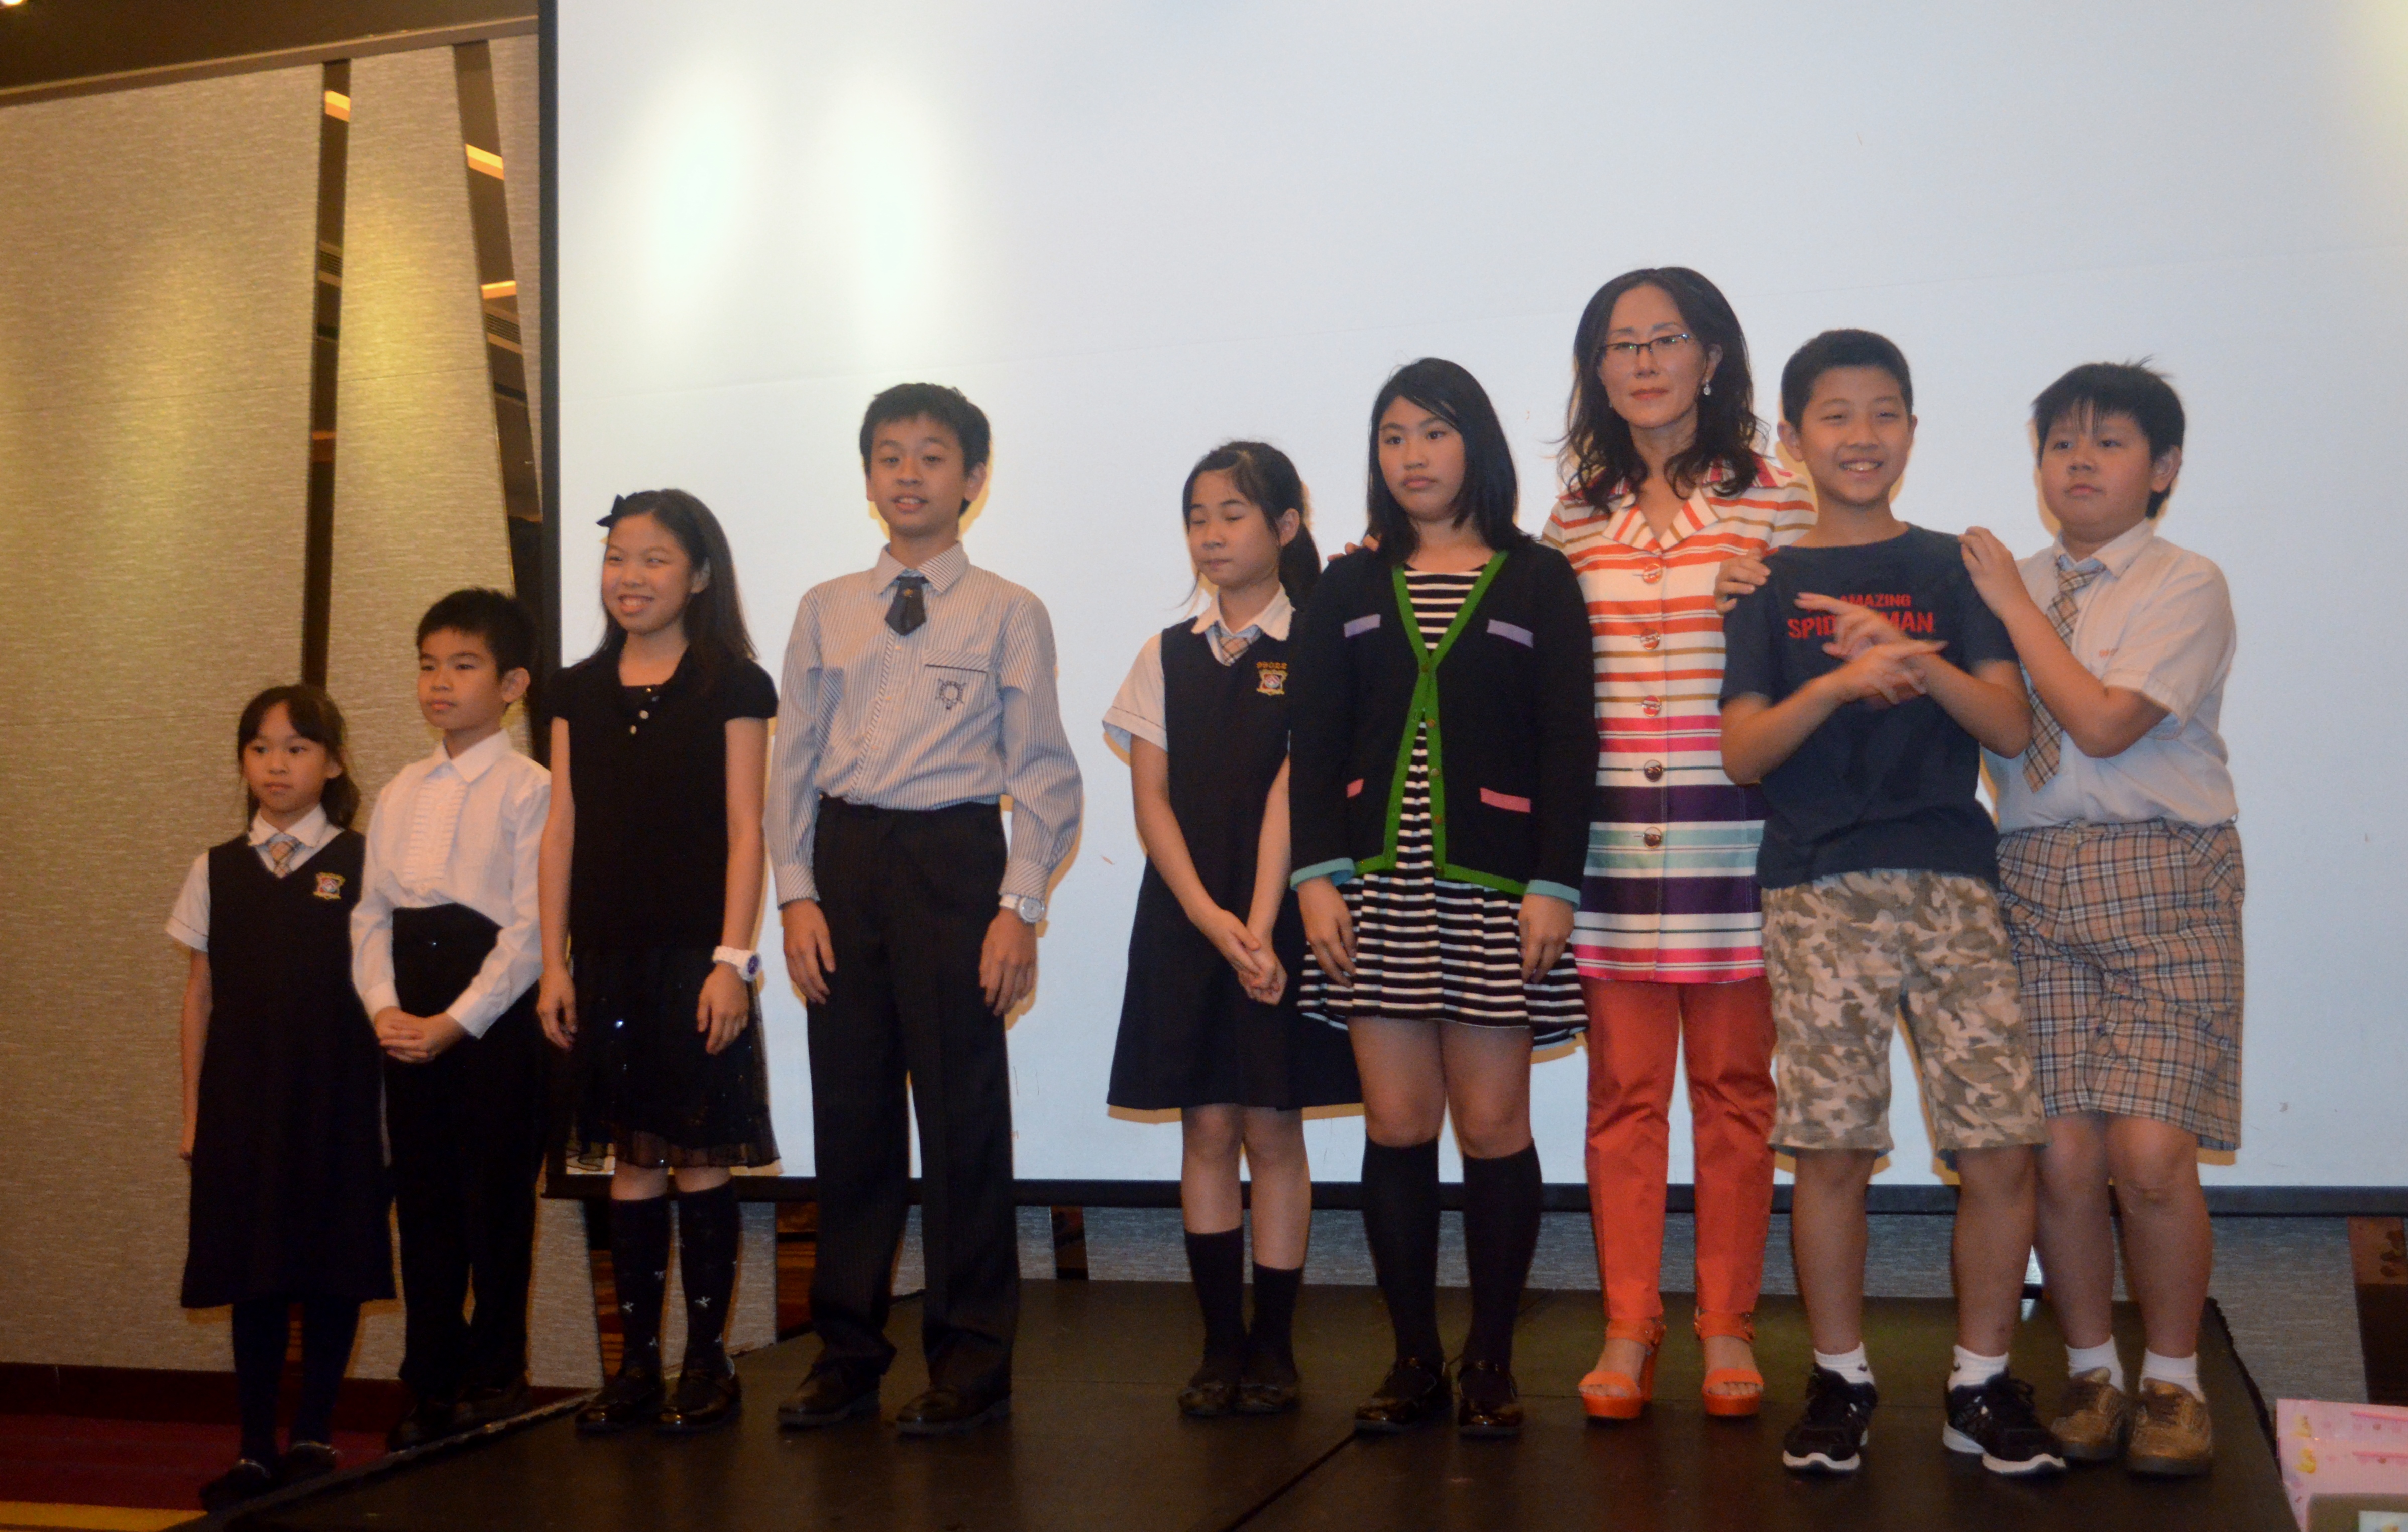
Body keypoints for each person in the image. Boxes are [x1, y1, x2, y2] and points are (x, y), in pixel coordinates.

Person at [1718, 329, 2062, 1478]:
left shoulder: (1954, 567)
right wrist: (1839, 682)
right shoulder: (1764, 582)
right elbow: (1743, 750)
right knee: (1831, 1147)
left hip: (1955, 881)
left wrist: (1912, 657)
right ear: (1793, 437)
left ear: (1913, 428)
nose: (1861, 436)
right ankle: (1840, 1378)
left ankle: (1981, 1382)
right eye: (1835, 415)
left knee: (2001, 1139)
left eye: (1883, 413)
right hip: (1818, 889)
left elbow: (2009, 725)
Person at [768, 383, 1083, 1436]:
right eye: (890, 455)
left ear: (974, 479)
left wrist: (1019, 907)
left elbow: (1043, 771)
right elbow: (791, 764)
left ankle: (972, 1358)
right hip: (846, 857)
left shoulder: (1009, 609)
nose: (909, 473)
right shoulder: (824, 607)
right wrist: (798, 894)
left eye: (934, 455)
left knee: (962, 1119)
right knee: (851, 1117)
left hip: (955, 857)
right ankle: (847, 1354)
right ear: (867, 477)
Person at [1288, 358, 1593, 1439]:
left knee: (1494, 1123)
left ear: (1478, 444)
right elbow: (1314, 741)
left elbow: (1569, 743)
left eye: (1433, 431)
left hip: (1498, 893)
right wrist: (1316, 877)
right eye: (1392, 436)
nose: (1411, 455)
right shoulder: (1347, 586)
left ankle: (1491, 1361)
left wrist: (1553, 883)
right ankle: (1414, 1357)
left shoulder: (1538, 577)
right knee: (1398, 1122)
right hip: (1376, 893)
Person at [1542, 267, 1814, 1421]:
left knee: (1738, 1092)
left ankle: (1725, 1322)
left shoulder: (1777, 498)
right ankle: (1627, 1322)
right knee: (1622, 1094)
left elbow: (1819, 661)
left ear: (1712, 358)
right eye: (1622, 344)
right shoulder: (1574, 516)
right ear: (1596, 371)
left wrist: (1778, 608)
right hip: (1609, 846)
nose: (1645, 361)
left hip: (1737, 840)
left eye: (1667, 339)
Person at [1962, 363, 2239, 1478]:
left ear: (2162, 468)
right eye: (2060, 442)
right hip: (2031, 871)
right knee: (2063, 1152)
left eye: (2110, 442)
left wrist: (2011, 609)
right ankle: (2091, 1371)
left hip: (2165, 873)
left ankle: (2173, 1381)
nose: (2079, 461)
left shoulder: (2185, 581)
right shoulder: (2007, 585)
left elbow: (2104, 722)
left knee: (2151, 1152)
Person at [1104, 441, 1362, 1419]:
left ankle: (1274, 1347)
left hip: (1281, 915)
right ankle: (1219, 1345)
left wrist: (1255, 925)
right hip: (1186, 920)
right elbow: (1151, 804)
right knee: (1206, 1125)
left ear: (1286, 527)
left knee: (1273, 1124)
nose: (1211, 534)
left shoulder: (1316, 646)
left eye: (1233, 513)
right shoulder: (1164, 653)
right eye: (1197, 516)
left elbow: (1296, 791)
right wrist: (1212, 921)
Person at [538, 490, 781, 1436]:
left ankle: (707, 1363)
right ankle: (634, 1366)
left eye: (654, 559)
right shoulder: (573, 690)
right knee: (628, 1167)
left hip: (695, 959)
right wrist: (555, 961)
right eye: (618, 559)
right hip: (602, 958)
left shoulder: (734, 683)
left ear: (700, 575)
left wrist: (732, 960)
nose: (630, 577)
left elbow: (746, 829)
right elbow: (561, 830)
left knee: (698, 1161)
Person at [171, 686, 391, 1512]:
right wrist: (193, 1113)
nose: (276, 764)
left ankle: (313, 1435)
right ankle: (255, 1447)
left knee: (332, 1266)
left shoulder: (367, 862)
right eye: (260, 748)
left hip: (339, 1099)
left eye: (297, 748)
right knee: (254, 1271)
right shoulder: (216, 868)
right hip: (243, 1105)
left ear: (332, 763)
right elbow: (199, 996)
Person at [352, 589, 552, 1451]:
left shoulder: (532, 787)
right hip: (408, 1011)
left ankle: (496, 1373)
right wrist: (385, 1007)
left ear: (511, 684)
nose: (439, 682)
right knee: (424, 1203)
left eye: (463, 665)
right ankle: (430, 1379)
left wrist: (455, 1022)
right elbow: (370, 914)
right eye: (428, 664)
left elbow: (532, 929)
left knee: (494, 1200)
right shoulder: (401, 788)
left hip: (493, 1019)